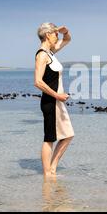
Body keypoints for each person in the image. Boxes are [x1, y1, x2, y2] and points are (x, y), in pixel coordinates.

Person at [34, 22, 74, 178]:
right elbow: (37, 81)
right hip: (51, 102)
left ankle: (52, 168)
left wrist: (65, 31)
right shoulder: (42, 54)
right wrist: (57, 96)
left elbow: (67, 40)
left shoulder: (50, 52)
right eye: (54, 34)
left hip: (57, 102)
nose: (56, 36)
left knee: (68, 135)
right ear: (47, 35)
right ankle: (47, 174)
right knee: (49, 138)